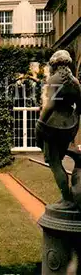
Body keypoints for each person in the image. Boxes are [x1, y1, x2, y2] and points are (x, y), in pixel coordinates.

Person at [36, 50, 81, 210]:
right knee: (60, 158)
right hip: (69, 125)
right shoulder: (75, 82)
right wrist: (74, 124)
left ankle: (67, 198)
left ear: (53, 65)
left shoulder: (54, 79)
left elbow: (51, 105)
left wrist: (40, 122)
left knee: (54, 162)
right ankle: (68, 196)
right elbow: (79, 108)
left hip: (54, 124)